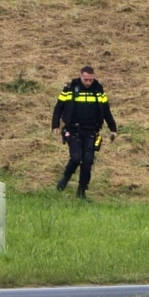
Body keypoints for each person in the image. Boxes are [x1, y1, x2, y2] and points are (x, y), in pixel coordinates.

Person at [51, 66, 117, 200]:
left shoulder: (98, 90)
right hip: (73, 129)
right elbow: (59, 107)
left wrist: (113, 128)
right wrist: (55, 125)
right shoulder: (70, 89)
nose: (88, 82)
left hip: (91, 130)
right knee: (76, 157)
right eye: (85, 80)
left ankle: (81, 192)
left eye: (90, 80)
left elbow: (106, 110)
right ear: (80, 76)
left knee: (88, 160)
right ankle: (65, 178)